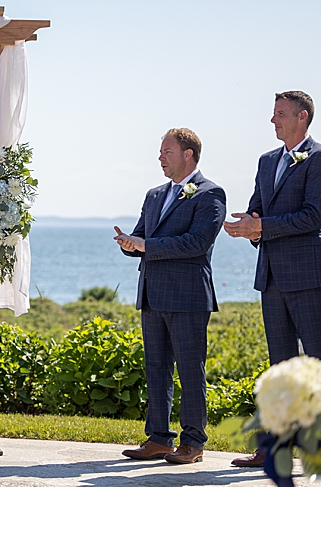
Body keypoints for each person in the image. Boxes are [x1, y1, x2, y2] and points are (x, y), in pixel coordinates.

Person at [114, 128, 225, 465]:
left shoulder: (210, 194)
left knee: (191, 371)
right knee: (157, 369)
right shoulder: (153, 194)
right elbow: (145, 238)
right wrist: (131, 243)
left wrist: (147, 245)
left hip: (188, 297)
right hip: (152, 294)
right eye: (161, 152)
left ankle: (193, 442)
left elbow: (197, 243)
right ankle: (159, 439)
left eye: (167, 151)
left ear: (188, 154)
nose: (160, 157)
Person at [223, 91, 320, 468]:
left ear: (302, 116)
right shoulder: (266, 162)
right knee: (279, 368)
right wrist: (248, 225)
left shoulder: (319, 159)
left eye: (280, 113)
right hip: (271, 278)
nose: (272, 120)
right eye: (273, 113)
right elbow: (257, 208)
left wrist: (262, 225)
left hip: (308, 277)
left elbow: (314, 217)